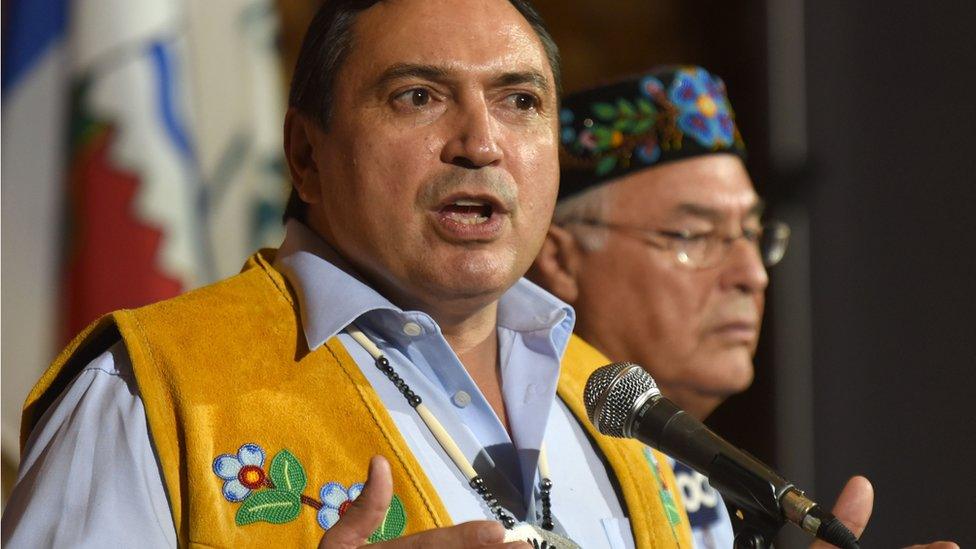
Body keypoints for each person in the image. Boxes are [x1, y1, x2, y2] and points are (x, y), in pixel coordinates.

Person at [2, 2, 697, 548]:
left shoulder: (619, 412)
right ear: (305, 155)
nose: (482, 143)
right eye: (418, 96)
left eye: (519, 100)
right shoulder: (148, 389)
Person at [528, 66, 958, 549]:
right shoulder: (524, 462)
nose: (752, 274)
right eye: (694, 235)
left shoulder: (711, 478)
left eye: (752, 235)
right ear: (561, 260)